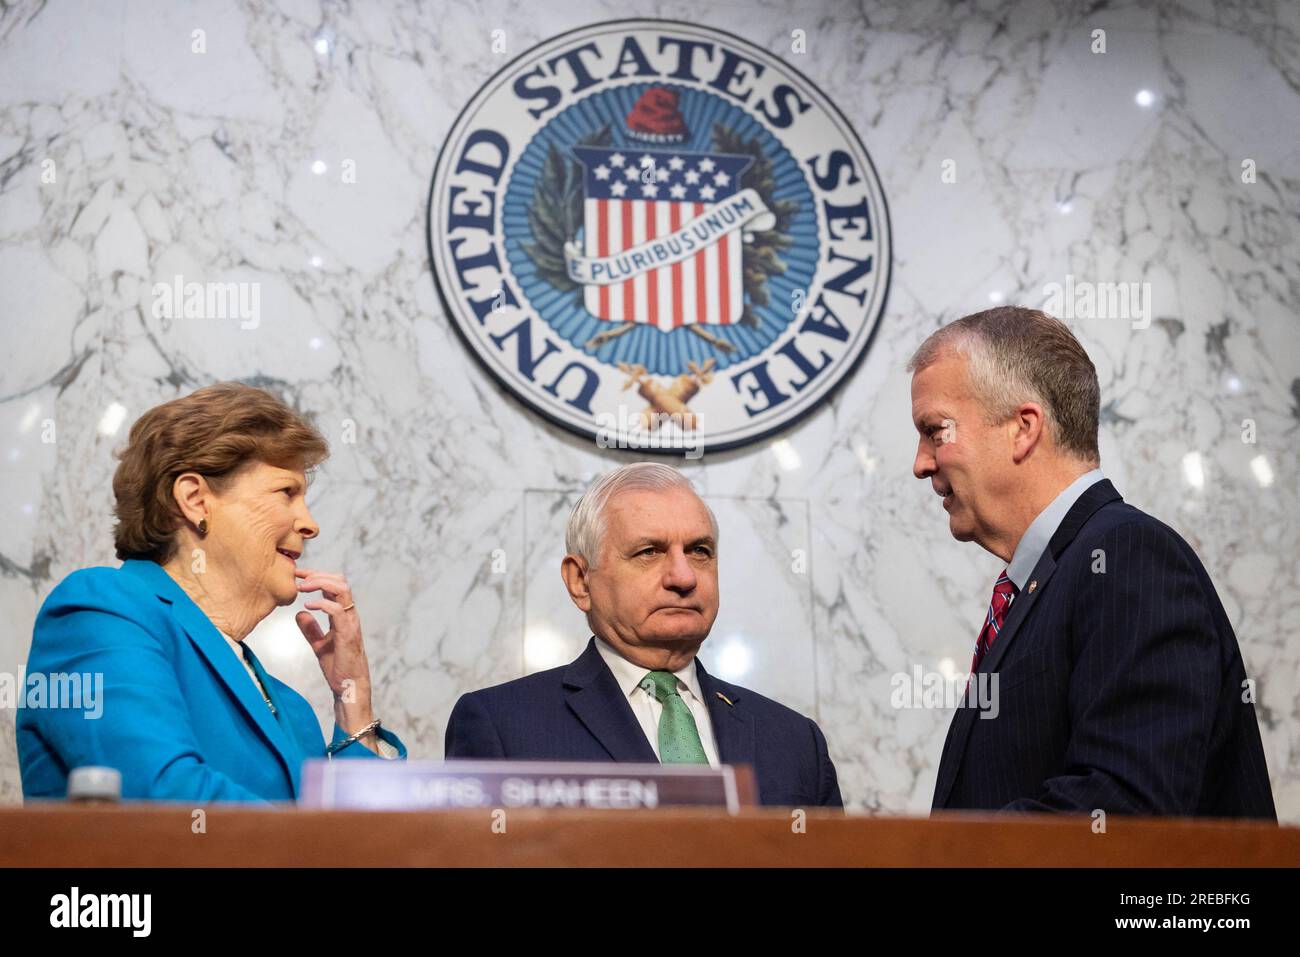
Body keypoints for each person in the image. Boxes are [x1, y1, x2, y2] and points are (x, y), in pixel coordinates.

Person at [909, 306, 1275, 818]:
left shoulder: (1128, 555)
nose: (921, 463)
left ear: (1023, 428)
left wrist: (934, 857)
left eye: (935, 431)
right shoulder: (1051, 577)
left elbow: (1125, 809)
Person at [17, 383, 405, 802]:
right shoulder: (100, 610)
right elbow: (162, 796)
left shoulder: (294, 713)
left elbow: (367, 846)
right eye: (286, 492)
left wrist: (354, 699)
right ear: (195, 499)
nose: (310, 524)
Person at [445, 462, 842, 808]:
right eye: (649, 552)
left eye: (699, 551)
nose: (683, 577)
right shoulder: (503, 727)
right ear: (581, 581)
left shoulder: (795, 740)